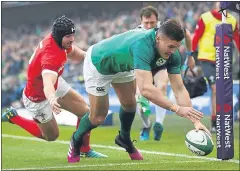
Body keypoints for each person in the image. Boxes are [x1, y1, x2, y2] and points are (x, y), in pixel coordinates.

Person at [68, 18, 211, 162]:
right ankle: (76, 139)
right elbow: (146, 89)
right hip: (99, 63)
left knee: (130, 104)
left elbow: (179, 89)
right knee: (98, 117)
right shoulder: (143, 46)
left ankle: (124, 138)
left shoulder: (172, 54)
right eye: (170, 46)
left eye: (176, 47)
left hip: (124, 65)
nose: (173, 51)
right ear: (158, 39)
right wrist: (176, 108)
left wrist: (195, 121)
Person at [1, 15, 107, 163]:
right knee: (51, 136)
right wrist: (51, 98)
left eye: (73, 35)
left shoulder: (59, 40)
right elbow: (47, 82)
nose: (72, 39)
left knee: (85, 113)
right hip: (38, 97)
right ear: (59, 36)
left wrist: (89, 57)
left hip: (55, 83)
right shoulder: (50, 55)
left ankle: (84, 149)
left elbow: (72, 51)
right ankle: (14, 117)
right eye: (68, 36)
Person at [135, 6, 196, 141]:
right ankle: (146, 125)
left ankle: (159, 124)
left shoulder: (165, 30)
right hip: (143, 67)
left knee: (161, 87)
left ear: (157, 20)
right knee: (141, 100)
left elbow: (186, 34)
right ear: (141, 22)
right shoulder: (136, 34)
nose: (149, 25)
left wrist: (190, 55)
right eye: (146, 23)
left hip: (161, 64)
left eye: (152, 22)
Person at [192, 2, 239, 132]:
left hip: (224, 59)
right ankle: (214, 122)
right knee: (215, 89)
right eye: (220, 4)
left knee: (222, 90)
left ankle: (222, 119)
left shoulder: (232, 20)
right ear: (215, 6)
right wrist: (190, 54)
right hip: (207, 59)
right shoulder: (205, 17)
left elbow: (236, 38)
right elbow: (197, 36)